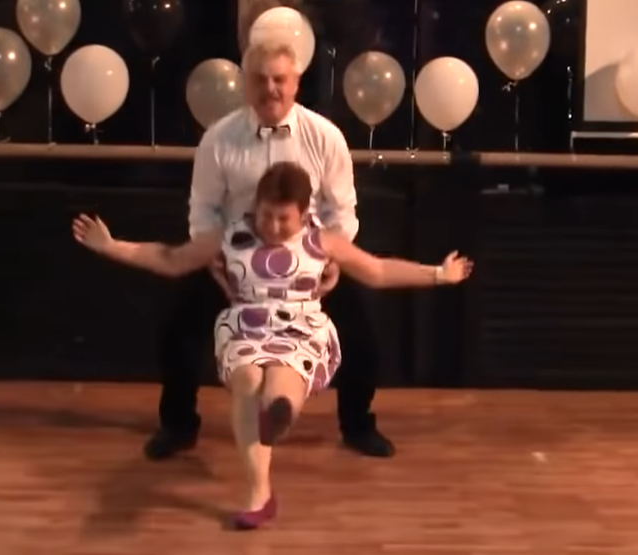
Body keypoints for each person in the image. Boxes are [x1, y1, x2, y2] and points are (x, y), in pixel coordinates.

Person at [72, 161, 473, 528]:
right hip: (245, 326)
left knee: (282, 376)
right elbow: (170, 258)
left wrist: (438, 274)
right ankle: (258, 492)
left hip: (300, 327)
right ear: (256, 206)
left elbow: (378, 270)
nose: (274, 226)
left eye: (284, 219)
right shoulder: (229, 236)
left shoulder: (323, 241)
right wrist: (111, 245)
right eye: (267, 215)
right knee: (247, 381)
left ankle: (280, 411)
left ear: (303, 213)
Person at [146, 40, 396, 462]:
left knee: (364, 336)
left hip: (308, 262)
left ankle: (357, 425)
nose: (271, 89)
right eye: (260, 80)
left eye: (280, 79)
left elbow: (342, 209)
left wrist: (331, 260)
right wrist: (213, 258)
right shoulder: (218, 139)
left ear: (296, 82)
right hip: (234, 260)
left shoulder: (325, 136)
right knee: (177, 332)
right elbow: (203, 208)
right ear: (246, 83)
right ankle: (178, 426)